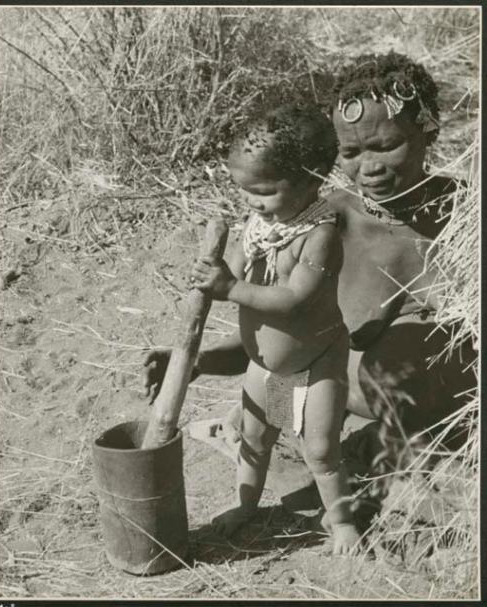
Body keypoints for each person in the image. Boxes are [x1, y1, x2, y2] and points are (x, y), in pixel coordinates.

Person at [145, 52, 476, 522]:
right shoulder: (323, 224)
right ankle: (277, 469)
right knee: (278, 406)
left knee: (390, 365)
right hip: (325, 382)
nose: (371, 168)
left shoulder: (463, 220)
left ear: (429, 132)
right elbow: (283, 334)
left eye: (388, 145)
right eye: (352, 153)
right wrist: (200, 361)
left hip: (426, 411)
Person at [146, 104, 362, 554]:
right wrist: (213, 273)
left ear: (311, 179)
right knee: (255, 439)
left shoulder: (318, 234)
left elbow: (295, 299)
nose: (251, 201)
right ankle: (246, 506)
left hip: (314, 364)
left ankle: (340, 522)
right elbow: (236, 270)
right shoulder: (262, 224)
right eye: (244, 191)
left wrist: (229, 287)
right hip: (270, 367)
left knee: (320, 451)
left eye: (263, 191)